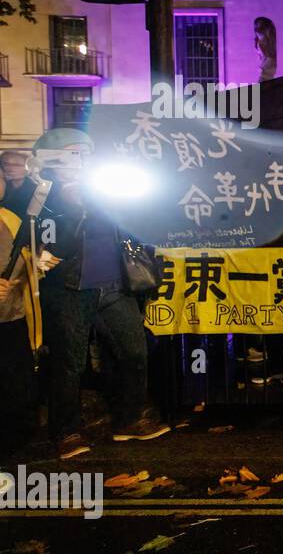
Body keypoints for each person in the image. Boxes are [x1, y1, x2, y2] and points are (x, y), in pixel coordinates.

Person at [33, 128, 170, 457]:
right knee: (70, 365)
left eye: (85, 154)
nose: (81, 162)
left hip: (114, 287)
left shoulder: (103, 191)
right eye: (72, 154)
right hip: (68, 290)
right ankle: (66, 431)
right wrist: (71, 204)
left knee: (134, 354)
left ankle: (130, 419)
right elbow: (48, 242)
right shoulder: (41, 196)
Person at [0, 175, 42, 452]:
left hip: (12, 317)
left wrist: (38, 263)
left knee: (14, 387)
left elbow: (27, 257)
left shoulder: (10, 218)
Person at [1, 150, 35, 216]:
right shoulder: (3, 186)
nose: (10, 168)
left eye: (17, 164)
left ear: (29, 168)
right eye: (6, 164)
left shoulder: (36, 190)